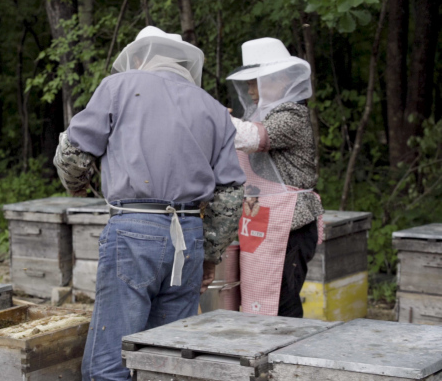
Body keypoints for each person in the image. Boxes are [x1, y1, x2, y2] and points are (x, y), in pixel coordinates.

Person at [53, 26, 245, 381]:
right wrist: (212, 254)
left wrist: (78, 185)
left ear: (139, 58)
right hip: (189, 237)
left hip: (134, 230)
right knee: (167, 360)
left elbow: (74, 152)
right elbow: (231, 194)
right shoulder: (215, 109)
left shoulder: (118, 87)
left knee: (110, 359)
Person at [226, 37, 324, 318]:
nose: (250, 89)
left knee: (281, 301)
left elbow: (250, 137)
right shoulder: (262, 114)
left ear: (279, 80)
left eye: (256, 81)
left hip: (290, 224)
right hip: (261, 219)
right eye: (248, 82)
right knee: (261, 300)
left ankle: (286, 360)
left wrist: (212, 117)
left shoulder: (292, 114)